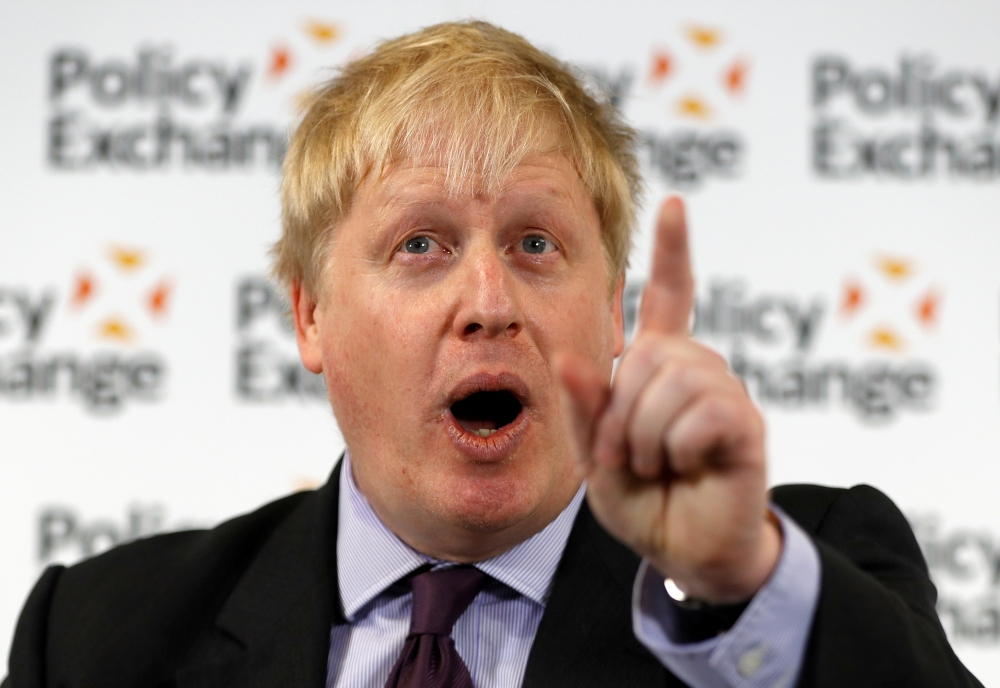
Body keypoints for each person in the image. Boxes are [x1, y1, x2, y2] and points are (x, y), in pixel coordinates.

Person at [3, 21, 982, 688]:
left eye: (535, 244)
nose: (488, 303)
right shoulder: (98, 634)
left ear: (610, 315)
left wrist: (739, 579)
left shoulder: (790, 573)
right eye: (419, 244)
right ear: (309, 314)